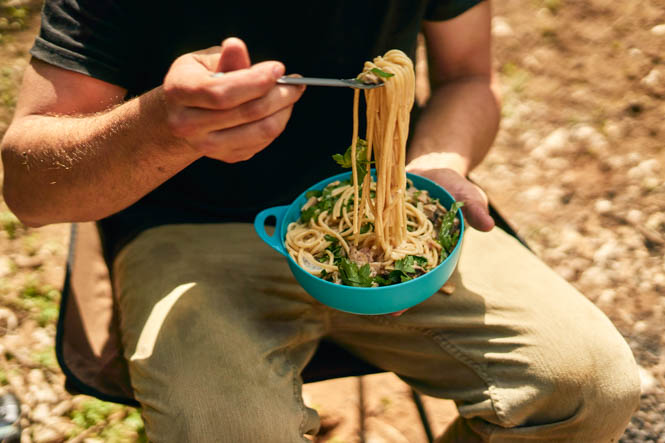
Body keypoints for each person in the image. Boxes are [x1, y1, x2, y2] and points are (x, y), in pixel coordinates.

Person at [0, 0, 640, 441]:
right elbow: (29, 192)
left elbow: (469, 76)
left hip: (395, 202)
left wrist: (435, 165)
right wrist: (164, 127)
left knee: (589, 384)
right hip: (184, 227)